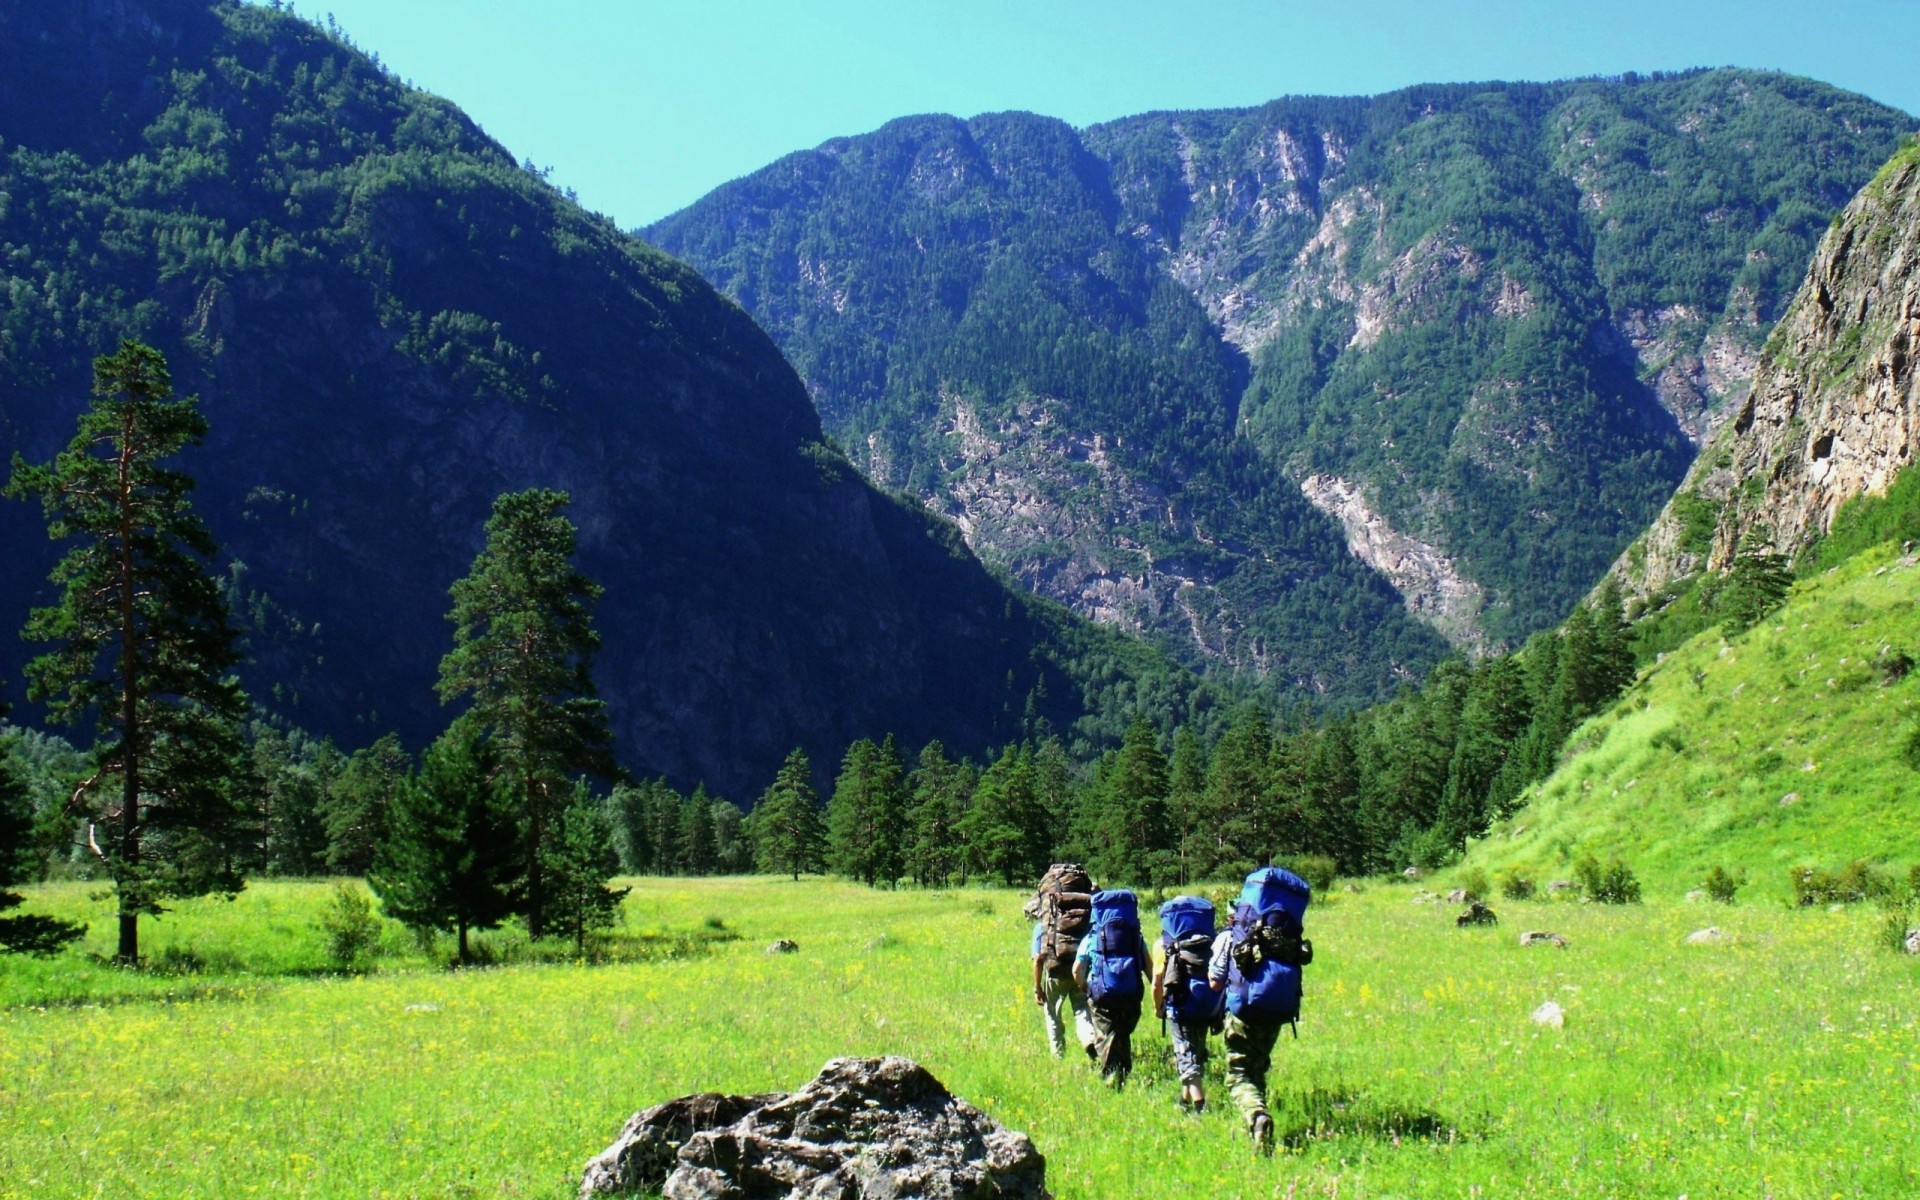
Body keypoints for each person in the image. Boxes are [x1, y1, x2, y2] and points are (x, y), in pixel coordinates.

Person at [1209, 866, 1313, 1156]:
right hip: (1278, 1005)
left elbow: (1217, 980)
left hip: (1243, 1006)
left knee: (1238, 1075)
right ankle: (1259, 1129)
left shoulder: (1236, 937)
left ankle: (1257, 1115)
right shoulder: (1281, 938)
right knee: (1259, 1064)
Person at [1153, 894, 1224, 1113]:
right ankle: (1183, 1101)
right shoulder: (1213, 941)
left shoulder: (1162, 945)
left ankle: (1200, 1105)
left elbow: (1157, 982)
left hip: (1180, 1003)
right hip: (1208, 1003)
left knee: (1184, 1054)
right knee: (1195, 1049)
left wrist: (1158, 1008)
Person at [1074, 888, 1149, 1088]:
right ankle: (1123, 1074)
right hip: (1131, 993)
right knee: (1122, 1033)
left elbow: (1076, 970)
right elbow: (1149, 967)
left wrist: (1085, 987)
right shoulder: (1136, 938)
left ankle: (1110, 1080)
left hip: (1101, 994)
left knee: (1105, 1035)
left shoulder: (1092, 938)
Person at [1032, 917, 1096, 1061]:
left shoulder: (1041, 927)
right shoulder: (1079, 922)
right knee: (1082, 1009)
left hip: (1056, 974)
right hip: (1079, 972)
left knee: (1053, 1014)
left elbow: (1037, 960)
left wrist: (1037, 988)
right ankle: (1089, 1039)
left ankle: (1058, 1056)